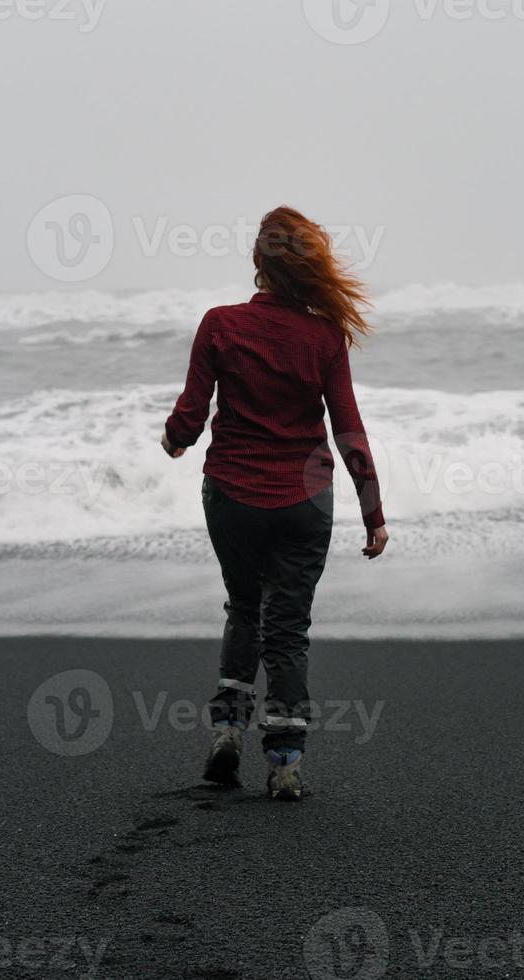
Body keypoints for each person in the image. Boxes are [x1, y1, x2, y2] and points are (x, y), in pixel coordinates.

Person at [161, 205, 388, 801]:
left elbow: (191, 413)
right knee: (288, 630)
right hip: (306, 500)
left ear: (259, 262)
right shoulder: (324, 336)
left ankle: (228, 732)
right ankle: (285, 762)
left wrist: (174, 440)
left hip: (232, 493)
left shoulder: (219, 323)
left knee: (243, 607)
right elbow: (349, 432)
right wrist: (374, 514)